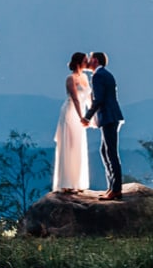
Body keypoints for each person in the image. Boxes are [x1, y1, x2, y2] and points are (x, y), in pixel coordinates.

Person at [82, 51, 125, 200]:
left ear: (95, 60)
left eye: (90, 57)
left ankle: (116, 189)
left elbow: (99, 99)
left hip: (108, 117)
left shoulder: (98, 75)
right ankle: (112, 187)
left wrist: (87, 117)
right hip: (111, 116)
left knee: (111, 152)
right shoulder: (105, 74)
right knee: (105, 151)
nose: (88, 60)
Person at [52, 52, 91, 193]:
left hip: (81, 113)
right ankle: (67, 183)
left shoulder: (85, 77)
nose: (88, 63)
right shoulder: (71, 78)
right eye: (85, 61)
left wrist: (91, 116)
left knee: (78, 145)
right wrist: (82, 117)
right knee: (70, 145)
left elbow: (88, 98)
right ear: (80, 62)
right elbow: (75, 98)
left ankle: (77, 182)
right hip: (70, 114)